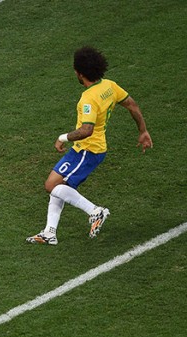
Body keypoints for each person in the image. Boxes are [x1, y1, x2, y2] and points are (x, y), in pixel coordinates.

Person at [26, 46, 153, 245]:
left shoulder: (88, 98)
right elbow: (132, 105)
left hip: (88, 149)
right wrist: (143, 131)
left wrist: (63, 137)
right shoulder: (110, 86)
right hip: (86, 149)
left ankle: (95, 211)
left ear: (80, 73)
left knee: (52, 185)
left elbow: (87, 130)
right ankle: (49, 232)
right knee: (61, 185)